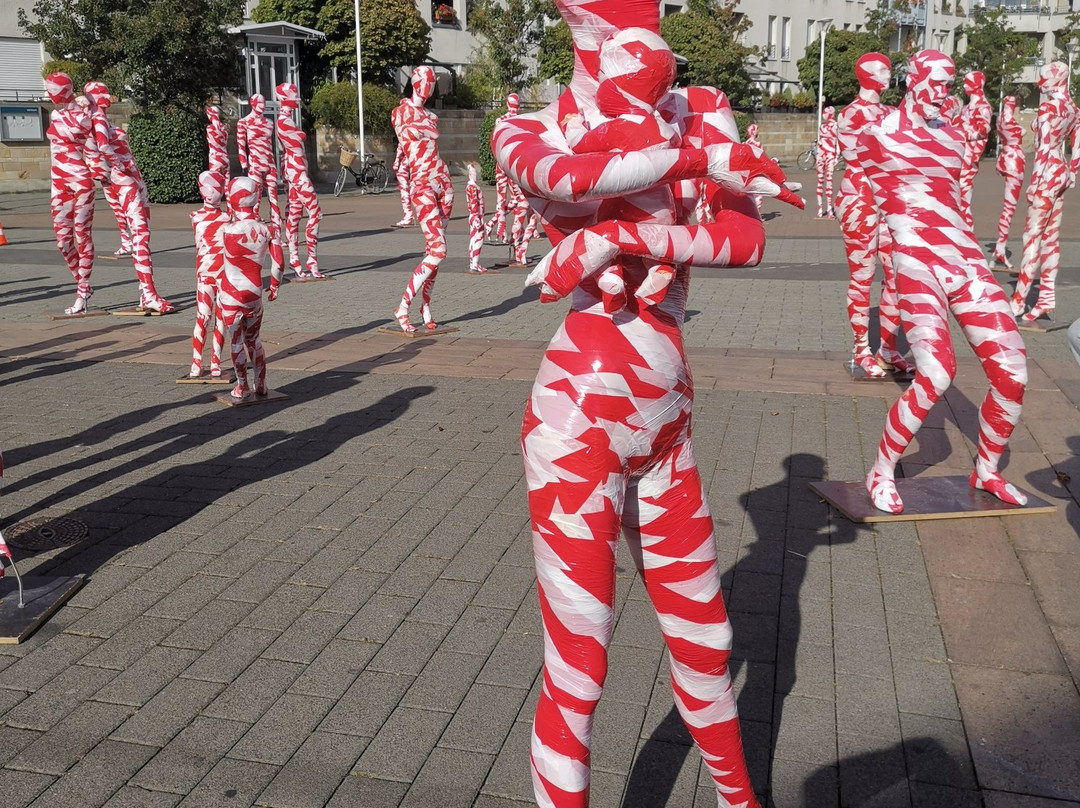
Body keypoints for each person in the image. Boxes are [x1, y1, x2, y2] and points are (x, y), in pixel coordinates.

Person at [493, 5, 801, 805]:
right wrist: (704, 160)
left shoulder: (699, 104)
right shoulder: (533, 123)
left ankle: (741, 800)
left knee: (708, 640)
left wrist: (622, 242)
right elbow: (573, 181)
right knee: (580, 662)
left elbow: (747, 240)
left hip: (664, 423)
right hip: (577, 425)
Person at [855, 50, 1028, 514]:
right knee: (935, 372)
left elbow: (953, 198)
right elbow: (866, 197)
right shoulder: (877, 135)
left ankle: (987, 470)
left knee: (1013, 373)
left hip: (964, 257)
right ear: (911, 80)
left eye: (949, 85)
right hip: (915, 259)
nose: (942, 95)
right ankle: (881, 469)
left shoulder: (953, 137)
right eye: (935, 83)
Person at [835, 52, 910, 377]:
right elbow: (869, 157)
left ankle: (889, 349)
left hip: (887, 202)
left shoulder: (892, 112)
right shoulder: (850, 114)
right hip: (860, 200)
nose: (886, 74)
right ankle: (862, 350)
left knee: (895, 275)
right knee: (862, 277)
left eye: (888, 69)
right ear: (864, 74)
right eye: (881, 69)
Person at [1010, 61, 1080, 323]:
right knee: (1051, 238)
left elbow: (1043, 150)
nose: (1040, 83)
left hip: (1047, 172)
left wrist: (1035, 181)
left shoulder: (1049, 108)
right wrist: (1073, 171)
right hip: (1061, 171)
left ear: (1058, 79)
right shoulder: (1072, 109)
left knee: (1032, 236)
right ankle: (1046, 298)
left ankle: (1018, 301)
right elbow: (1077, 142)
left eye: (1044, 78)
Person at [391, 66, 454, 332]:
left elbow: (429, 136)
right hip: (422, 184)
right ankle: (402, 307)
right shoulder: (401, 112)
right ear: (415, 83)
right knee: (438, 250)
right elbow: (407, 141)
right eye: (426, 80)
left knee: (434, 252)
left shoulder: (432, 116)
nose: (429, 85)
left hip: (443, 181)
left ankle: (426, 305)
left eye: (432, 81)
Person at [217, 177, 280, 400]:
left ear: (233, 199)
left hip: (231, 293)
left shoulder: (225, 229)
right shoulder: (268, 230)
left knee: (236, 341)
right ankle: (260, 384)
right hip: (254, 292)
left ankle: (242, 386)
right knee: (254, 339)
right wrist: (274, 286)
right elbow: (279, 264)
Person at [45, 73, 98, 315]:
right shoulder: (58, 113)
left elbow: (87, 136)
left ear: (63, 91)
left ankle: (82, 291)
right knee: (63, 242)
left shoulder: (82, 115)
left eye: (52, 90)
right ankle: (82, 284)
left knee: (81, 234)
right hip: (59, 182)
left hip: (80, 181)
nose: (48, 94)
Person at [275, 82, 324, 279]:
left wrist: (299, 135)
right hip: (298, 174)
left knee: (295, 215)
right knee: (315, 212)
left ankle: (296, 260)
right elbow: (298, 138)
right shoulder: (284, 122)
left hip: (295, 172)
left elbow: (299, 137)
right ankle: (310, 259)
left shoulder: (285, 121)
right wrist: (299, 135)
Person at [236, 94, 285, 281]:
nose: (263, 107)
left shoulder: (268, 123)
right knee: (254, 202)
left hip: (269, 164)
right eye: (260, 104)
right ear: (252, 104)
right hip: (255, 164)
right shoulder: (244, 123)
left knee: (274, 200)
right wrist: (243, 163)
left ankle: (278, 237)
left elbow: (273, 145)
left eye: (265, 104)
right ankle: (254, 235)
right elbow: (242, 144)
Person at [188, 171, 230, 379]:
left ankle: (215, 361)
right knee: (203, 317)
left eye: (217, 188)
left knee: (220, 320)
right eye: (209, 187)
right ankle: (197, 361)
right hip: (205, 275)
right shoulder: (196, 216)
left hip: (222, 276)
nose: (213, 192)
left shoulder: (227, 218)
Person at [993, 96, 1025, 268]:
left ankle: (1000, 246)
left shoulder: (1001, 120)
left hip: (1006, 158)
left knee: (1008, 206)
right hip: (1014, 162)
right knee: (1009, 206)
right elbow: (1021, 133)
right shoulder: (1009, 122)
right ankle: (1000, 246)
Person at [958, 71, 992, 228]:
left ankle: (967, 237)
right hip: (960, 156)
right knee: (958, 200)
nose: (964, 85)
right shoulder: (965, 108)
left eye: (968, 82)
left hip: (969, 158)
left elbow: (983, 130)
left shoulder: (983, 107)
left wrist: (962, 132)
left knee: (963, 200)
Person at [485, 93, 521, 243]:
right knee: (517, 198)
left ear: (507, 104)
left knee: (502, 199)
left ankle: (498, 227)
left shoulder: (500, 120)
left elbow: (493, 141)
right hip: (512, 165)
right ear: (518, 105)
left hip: (501, 164)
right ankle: (500, 228)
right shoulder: (521, 121)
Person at [816, 105, 839, 218]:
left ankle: (829, 208)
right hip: (821, 155)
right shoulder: (822, 127)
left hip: (829, 155)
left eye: (824, 112)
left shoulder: (835, 126)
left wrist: (837, 156)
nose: (823, 115)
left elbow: (837, 141)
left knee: (829, 181)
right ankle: (820, 208)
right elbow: (820, 142)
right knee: (820, 181)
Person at [465, 162, 487, 274]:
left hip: (474, 215)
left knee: (473, 239)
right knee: (478, 239)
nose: (475, 175)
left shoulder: (470, 186)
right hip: (476, 216)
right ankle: (475, 263)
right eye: (473, 173)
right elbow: (474, 202)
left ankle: (473, 262)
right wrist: (477, 217)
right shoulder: (473, 186)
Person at [206, 105, 230, 183]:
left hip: (215, 158)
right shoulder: (225, 128)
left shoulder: (210, 128)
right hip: (225, 157)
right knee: (226, 184)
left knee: (216, 184)